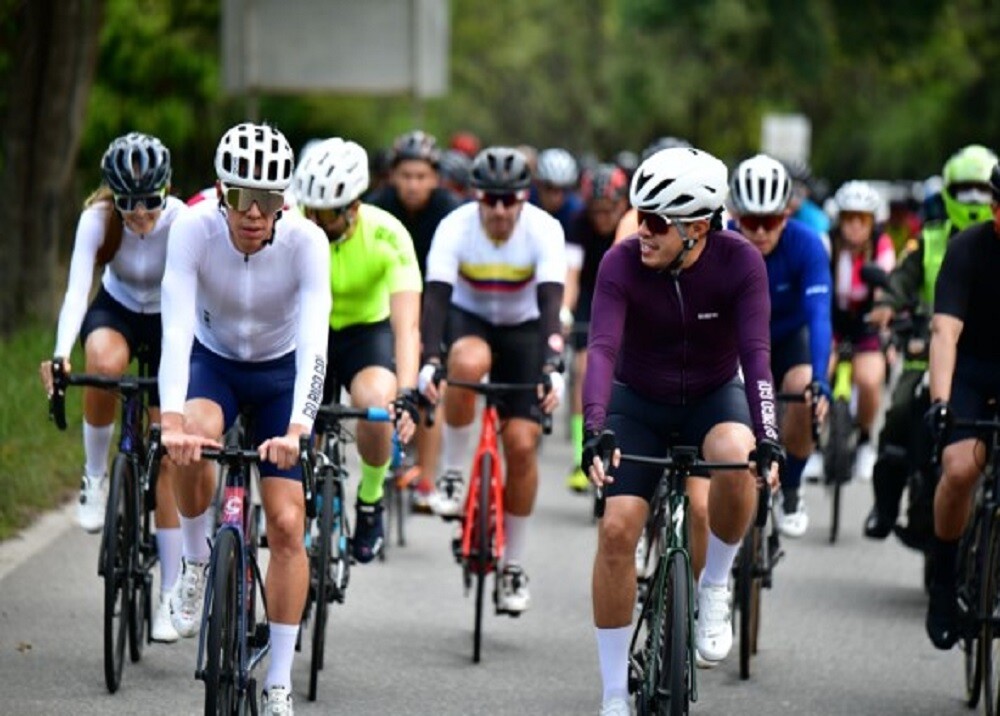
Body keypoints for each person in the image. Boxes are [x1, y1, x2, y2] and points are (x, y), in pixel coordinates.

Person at [583, 147, 782, 715]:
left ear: (697, 227)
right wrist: (594, 429)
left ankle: (715, 586)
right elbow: (600, 350)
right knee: (619, 530)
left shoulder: (740, 263)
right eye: (637, 212)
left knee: (735, 458)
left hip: (711, 398)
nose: (639, 229)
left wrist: (768, 435)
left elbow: (758, 355)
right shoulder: (621, 263)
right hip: (637, 402)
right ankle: (614, 693)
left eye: (655, 221)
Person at [157, 122, 331, 715]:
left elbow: (314, 340)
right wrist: (172, 419)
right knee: (192, 440)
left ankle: (278, 677)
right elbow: (176, 328)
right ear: (220, 191)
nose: (253, 212)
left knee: (286, 523)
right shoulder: (192, 228)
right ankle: (198, 560)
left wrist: (299, 429)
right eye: (240, 197)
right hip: (216, 364)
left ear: (286, 200)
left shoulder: (306, 242)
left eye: (268, 199)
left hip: (282, 376)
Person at [39, 132, 186, 642]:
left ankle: (171, 592)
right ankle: (95, 476)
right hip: (119, 307)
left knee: (169, 451)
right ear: (112, 195)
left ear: (166, 191)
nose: (141, 214)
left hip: (171, 316)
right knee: (101, 361)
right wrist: (61, 356)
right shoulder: (98, 220)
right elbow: (79, 290)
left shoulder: (183, 222)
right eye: (128, 202)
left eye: (150, 202)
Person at [418, 146, 566, 614]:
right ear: (477, 197)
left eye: (510, 201)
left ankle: (515, 565)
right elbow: (436, 301)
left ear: (524, 200)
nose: (500, 211)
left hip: (524, 331)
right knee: (463, 362)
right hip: (471, 320)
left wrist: (552, 365)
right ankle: (455, 475)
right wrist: (428, 359)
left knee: (521, 445)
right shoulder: (454, 228)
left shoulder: (544, 230)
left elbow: (550, 307)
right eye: (491, 201)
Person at [292, 137, 421, 563]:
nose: (314, 219)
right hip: (305, 329)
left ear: (353, 206)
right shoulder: (293, 221)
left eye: (325, 213)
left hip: (365, 333)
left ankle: (369, 500)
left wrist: (406, 393)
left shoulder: (388, 235)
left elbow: (407, 327)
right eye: (309, 208)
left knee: (374, 405)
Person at [866, 145, 999, 542]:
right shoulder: (933, 240)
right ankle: (885, 508)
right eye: (966, 191)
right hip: (931, 349)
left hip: (975, 351)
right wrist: (888, 306)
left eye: (981, 190)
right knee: (902, 412)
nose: (974, 201)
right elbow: (901, 281)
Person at [728, 153, 831, 537]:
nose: (759, 232)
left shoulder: (808, 245)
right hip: (736, 340)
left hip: (788, 338)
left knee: (803, 391)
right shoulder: (722, 242)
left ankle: (791, 487)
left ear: (786, 216)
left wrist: (820, 379)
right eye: (750, 222)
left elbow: (820, 315)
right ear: (736, 216)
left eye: (769, 221)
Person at [923, 158, 1000, 650]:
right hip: (971, 368)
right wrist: (942, 401)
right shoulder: (967, 249)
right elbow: (945, 331)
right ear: (996, 207)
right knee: (959, 469)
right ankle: (945, 582)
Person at [367, 130, 462, 504]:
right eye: (405, 176)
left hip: (436, 301)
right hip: (387, 298)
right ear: (392, 176)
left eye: (421, 177)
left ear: (435, 178)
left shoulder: (449, 210)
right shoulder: (377, 205)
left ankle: (426, 476)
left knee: (433, 384)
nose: (412, 184)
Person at [562, 164, 630, 493]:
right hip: (592, 294)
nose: (602, 218)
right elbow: (571, 274)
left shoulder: (634, 222)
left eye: (609, 211)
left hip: (627, 293)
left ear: (623, 204)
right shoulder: (577, 224)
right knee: (584, 366)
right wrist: (564, 312)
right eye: (596, 211)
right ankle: (580, 453)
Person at [829, 180, 895, 481]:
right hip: (833, 322)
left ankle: (867, 440)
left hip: (867, 323)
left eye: (863, 220)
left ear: (872, 222)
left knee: (869, 381)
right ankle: (817, 447)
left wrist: (883, 304)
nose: (855, 226)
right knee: (815, 373)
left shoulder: (882, 245)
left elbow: (888, 285)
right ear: (839, 220)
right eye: (849, 219)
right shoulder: (827, 243)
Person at [531, 147, 584, 236]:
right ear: (537, 184)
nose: (555, 197)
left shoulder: (576, 215)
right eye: (549, 188)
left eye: (563, 189)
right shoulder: (524, 207)